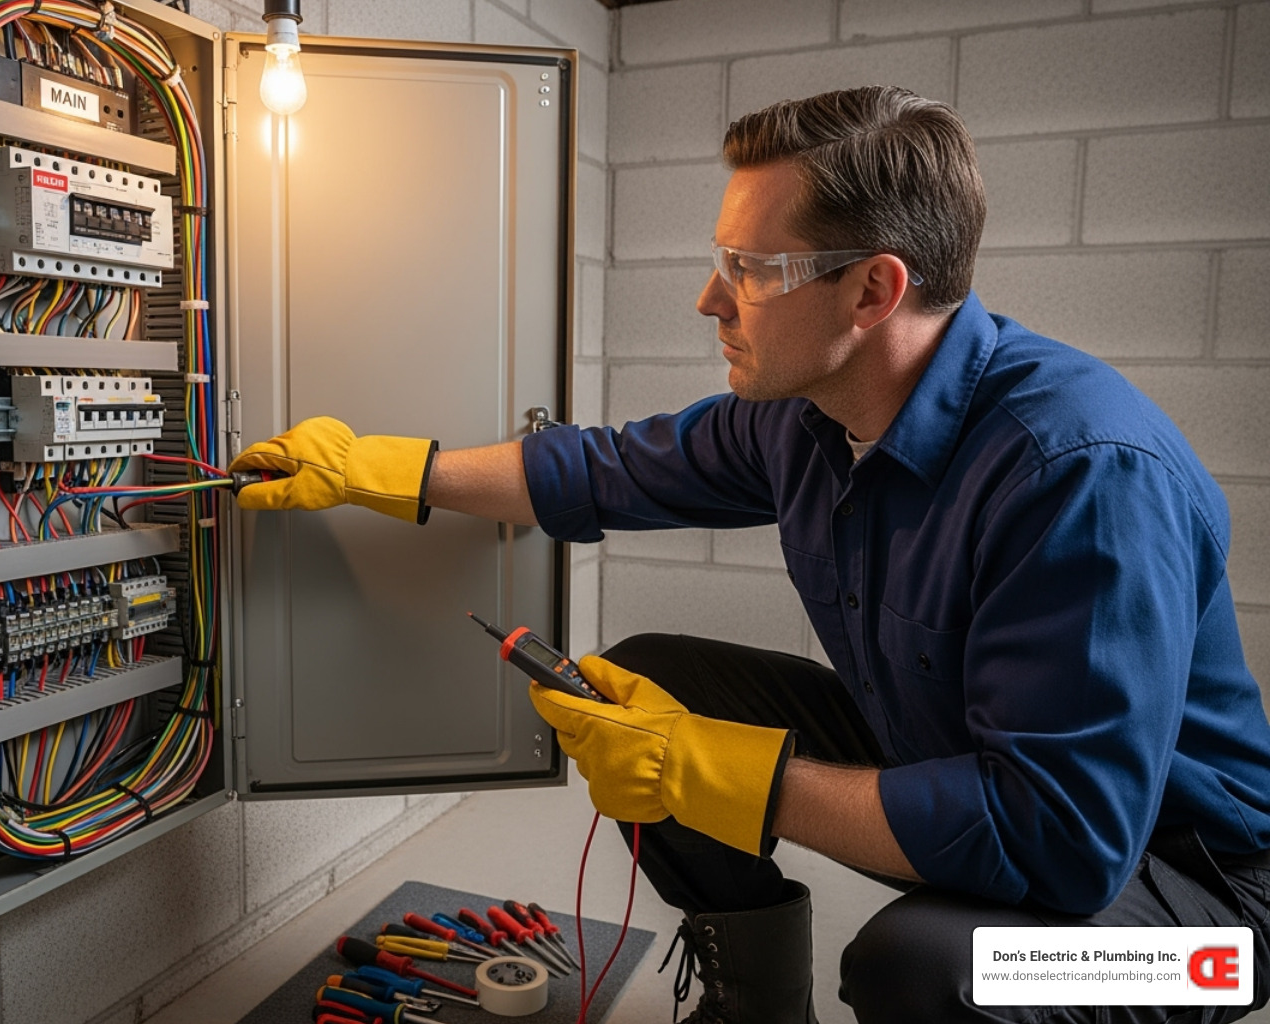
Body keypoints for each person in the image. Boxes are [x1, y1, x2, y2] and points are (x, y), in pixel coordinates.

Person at [230, 87, 1270, 1024]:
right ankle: (754, 1004)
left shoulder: (1079, 474)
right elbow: (598, 473)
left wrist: (722, 773)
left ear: (873, 291)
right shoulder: (805, 419)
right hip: (964, 760)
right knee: (652, 684)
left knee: (930, 967)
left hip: (1198, 913)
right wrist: (384, 470)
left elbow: (1061, 844)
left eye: (750, 269)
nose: (709, 298)